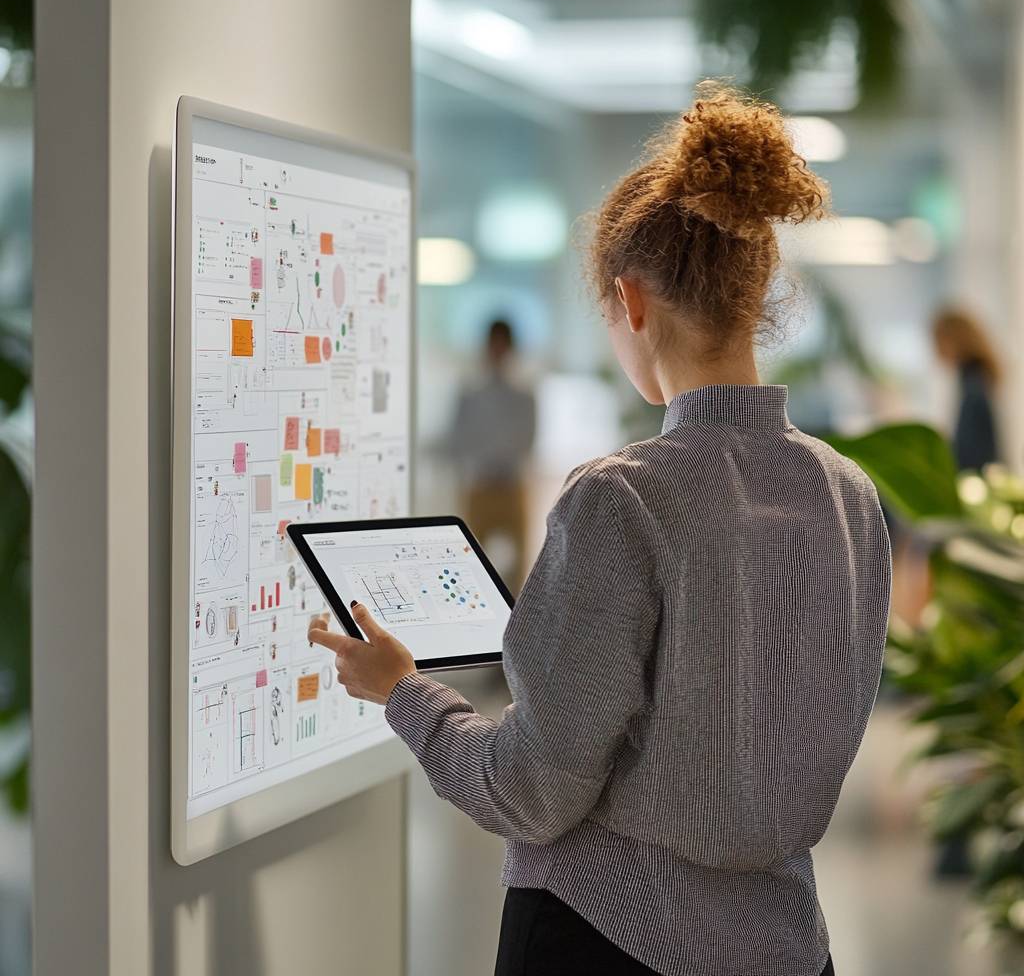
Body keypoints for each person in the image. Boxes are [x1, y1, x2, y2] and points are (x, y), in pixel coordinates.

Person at [310, 85, 891, 976]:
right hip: (788, 948)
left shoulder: (623, 499)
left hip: (607, 938)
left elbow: (529, 790)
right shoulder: (849, 496)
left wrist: (402, 692)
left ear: (631, 301)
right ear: (756, 295)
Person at [449, 318, 536, 592]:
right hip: (480, 486)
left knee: (519, 567)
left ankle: (515, 614)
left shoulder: (524, 394)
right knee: (472, 562)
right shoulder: (470, 393)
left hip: (511, 485)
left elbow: (528, 440)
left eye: (502, 345)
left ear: (510, 349)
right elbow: (459, 438)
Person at [932, 307, 1001, 471]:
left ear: (952, 341)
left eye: (937, 342)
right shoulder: (976, 379)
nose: (936, 351)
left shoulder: (973, 386)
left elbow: (968, 453)